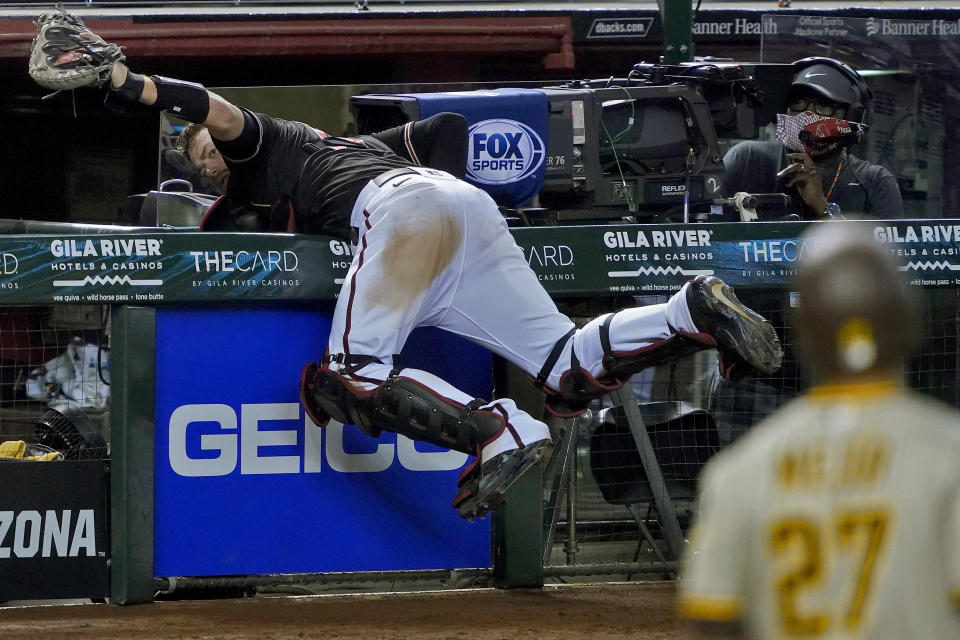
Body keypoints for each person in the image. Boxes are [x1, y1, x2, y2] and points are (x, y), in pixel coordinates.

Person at [55, 17, 783, 521]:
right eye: (196, 157)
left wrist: (122, 81)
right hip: (461, 213)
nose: (207, 158)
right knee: (563, 364)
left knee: (349, 377)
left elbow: (212, 107)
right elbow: (446, 129)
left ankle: (500, 431)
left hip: (402, 212)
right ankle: (689, 312)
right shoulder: (353, 145)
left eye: (204, 150)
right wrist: (444, 215)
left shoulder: (267, 145)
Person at [678, 221, 960, 638]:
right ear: (907, 322)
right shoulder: (947, 455)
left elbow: (712, 619)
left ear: (803, 332)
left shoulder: (738, 472)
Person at [723, 57, 903, 220]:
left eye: (824, 105)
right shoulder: (747, 160)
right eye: (799, 102)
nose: (807, 114)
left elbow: (877, 255)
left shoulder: (875, 183)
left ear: (852, 116)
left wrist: (821, 206)